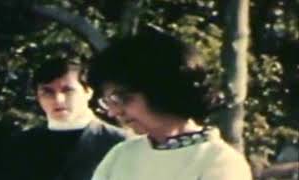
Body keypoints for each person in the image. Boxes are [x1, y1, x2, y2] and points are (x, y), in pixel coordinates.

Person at [88, 27, 253, 180]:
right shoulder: (121, 154)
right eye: (108, 102)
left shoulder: (220, 161)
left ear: (160, 89)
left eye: (121, 98)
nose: (114, 112)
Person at [3, 58, 128, 180]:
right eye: (48, 92)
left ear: (88, 92)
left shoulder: (120, 143)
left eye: (68, 90)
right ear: (37, 97)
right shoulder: (21, 146)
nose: (58, 100)